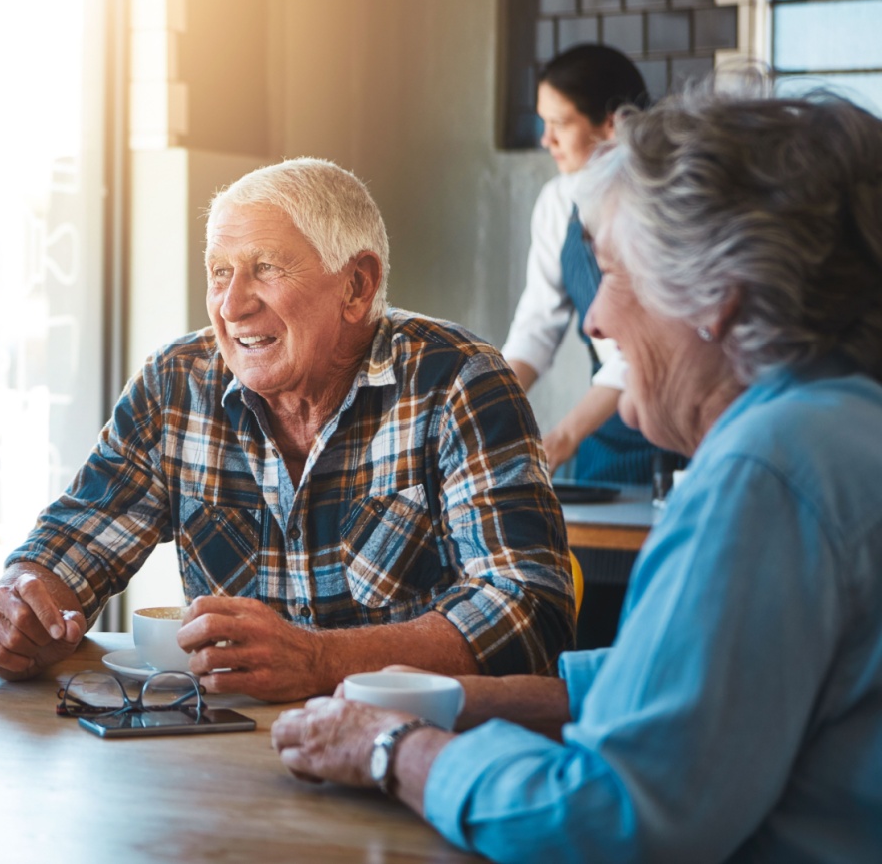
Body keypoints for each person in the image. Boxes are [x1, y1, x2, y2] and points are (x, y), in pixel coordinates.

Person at [271, 85, 882, 861]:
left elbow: (609, 818)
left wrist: (396, 749)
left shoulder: (767, 470)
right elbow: (682, 692)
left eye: (615, 277)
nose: (596, 321)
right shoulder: (846, 425)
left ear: (716, 297)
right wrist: (456, 698)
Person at [0, 158, 575, 702]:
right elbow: (73, 542)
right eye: (219, 272)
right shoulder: (176, 383)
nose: (231, 306)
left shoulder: (458, 380)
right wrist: (25, 599)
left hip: (406, 754)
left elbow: (530, 612)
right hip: (224, 758)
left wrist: (320, 660)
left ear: (356, 286)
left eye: (264, 269)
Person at [501, 44, 663, 482]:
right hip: (607, 429)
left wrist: (564, 437)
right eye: (543, 122)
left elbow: (643, 344)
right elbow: (537, 323)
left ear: (612, 123)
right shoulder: (558, 201)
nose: (545, 139)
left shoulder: (658, 203)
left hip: (677, 425)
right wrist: (482, 404)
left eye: (560, 123)